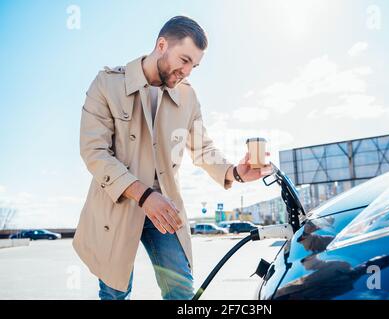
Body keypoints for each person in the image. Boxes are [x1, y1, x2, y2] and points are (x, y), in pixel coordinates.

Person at [73, 15, 272, 300]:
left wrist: (235, 172)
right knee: (115, 292)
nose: (188, 71)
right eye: (184, 60)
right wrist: (143, 195)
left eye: (194, 65)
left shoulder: (188, 97)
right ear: (162, 45)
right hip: (117, 203)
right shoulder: (107, 84)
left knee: (180, 291)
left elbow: (203, 149)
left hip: (164, 208)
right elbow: (94, 152)